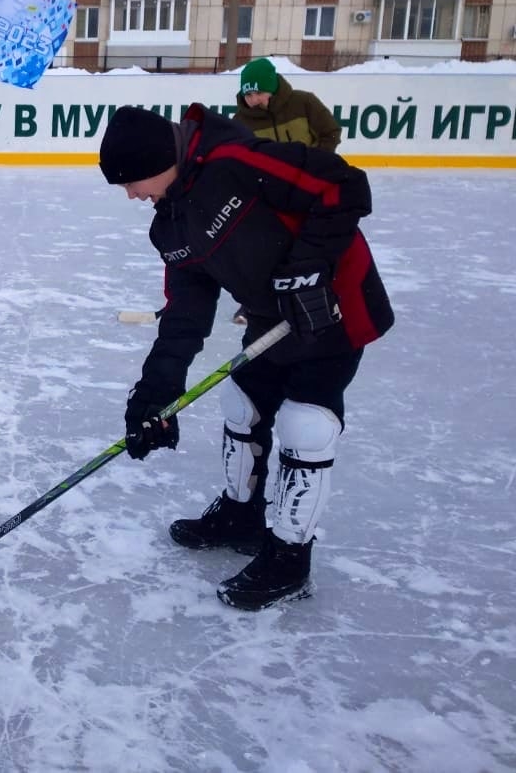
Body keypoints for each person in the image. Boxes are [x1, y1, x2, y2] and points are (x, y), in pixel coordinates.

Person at [98, 103, 393, 610]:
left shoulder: (236, 160)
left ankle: (290, 558)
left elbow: (343, 185)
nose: (132, 194)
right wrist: (156, 395)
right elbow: (186, 315)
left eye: (134, 181)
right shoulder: (170, 224)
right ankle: (241, 515)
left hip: (332, 305)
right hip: (270, 315)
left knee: (307, 425)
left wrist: (307, 268)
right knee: (242, 404)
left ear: (161, 159)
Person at [228, 57, 343, 325]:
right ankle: (252, 304)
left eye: (259, 93)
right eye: (248, 94)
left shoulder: (304, 103)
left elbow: (331, 132)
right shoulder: (240, 123)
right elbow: (238, 160)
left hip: (312, 190)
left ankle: (323, 296)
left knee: (316, 244)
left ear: (273, 88)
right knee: (266, 250)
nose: (254, 99)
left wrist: (315, 166)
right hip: (272, 197)